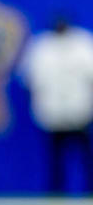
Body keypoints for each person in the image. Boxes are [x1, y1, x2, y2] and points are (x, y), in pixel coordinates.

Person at [22, 17, 93, 194]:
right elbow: (30, 79)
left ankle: (88, 190)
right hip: (53, 113)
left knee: (85, 155)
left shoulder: (83, 43)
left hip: (80, 111)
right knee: (55, 157)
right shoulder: (41, 47)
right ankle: (56, 193)